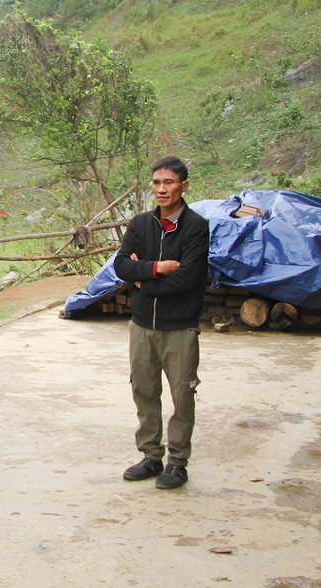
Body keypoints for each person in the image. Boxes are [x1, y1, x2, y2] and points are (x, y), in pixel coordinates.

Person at [114, 156, 210, 490]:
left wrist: (142, 279)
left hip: (180, 327)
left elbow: (188, 279)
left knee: (182, 396)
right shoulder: (140, 225)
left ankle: (177, 462)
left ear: (184, 186)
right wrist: (156, 269)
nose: (161, 189)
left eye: (169, 183)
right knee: (144, 391)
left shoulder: (196, 227)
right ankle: (151, 456)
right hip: (142, 326)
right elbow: (122, 266)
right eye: (156, 183)